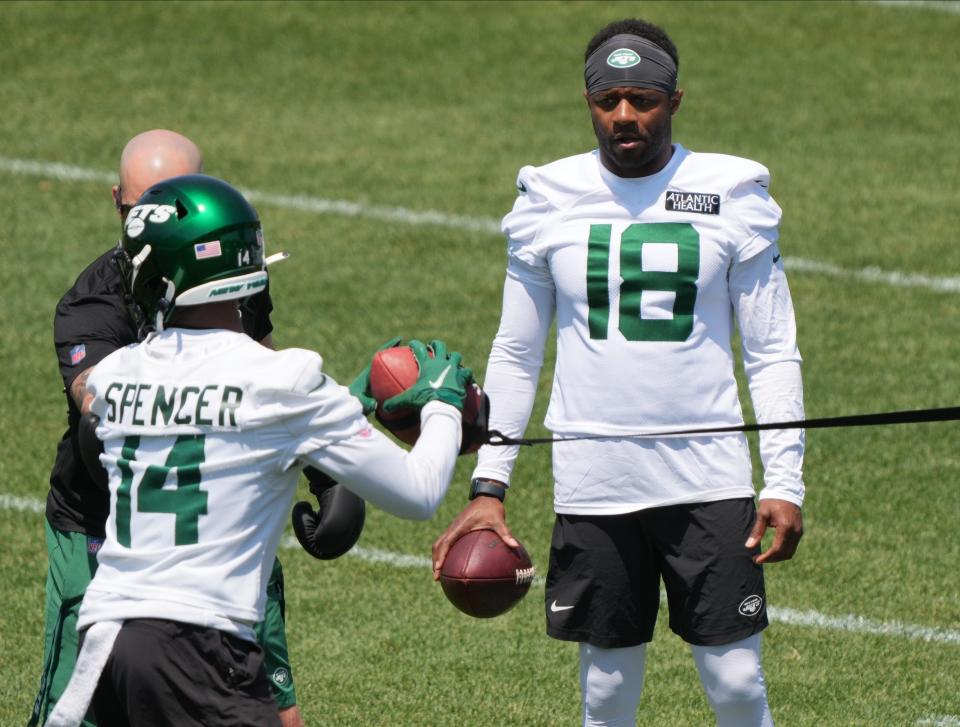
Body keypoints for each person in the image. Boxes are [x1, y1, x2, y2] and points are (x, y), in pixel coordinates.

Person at [432, 18, 805, 727]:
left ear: (675, 100)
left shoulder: (733, 191)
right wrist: (490, 487)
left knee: (734, 677)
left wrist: (784, 480)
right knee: (605, 689)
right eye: (609, 101)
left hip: (709, 475)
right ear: (589, 102)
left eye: (643, 99)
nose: (625, 116)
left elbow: (771, 348)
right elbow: (516, 351)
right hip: (595, 477)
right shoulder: (548, 196)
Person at [44, 173, 472, 726]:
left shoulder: (116, 375)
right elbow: (418, 492)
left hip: (108, 643)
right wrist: (444, 405)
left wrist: (346, 400)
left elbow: (208, 404)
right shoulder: (284, 381)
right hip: (200, 647)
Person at [31, 130, 333, 727]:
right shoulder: (92, 304)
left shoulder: (233, 277)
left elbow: (270, 372)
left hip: (227, 526)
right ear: (116, 201)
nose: (148, 230)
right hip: (104, 534)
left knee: (280, 713)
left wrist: (324, 467)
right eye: (134, 211)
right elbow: (98, 415)